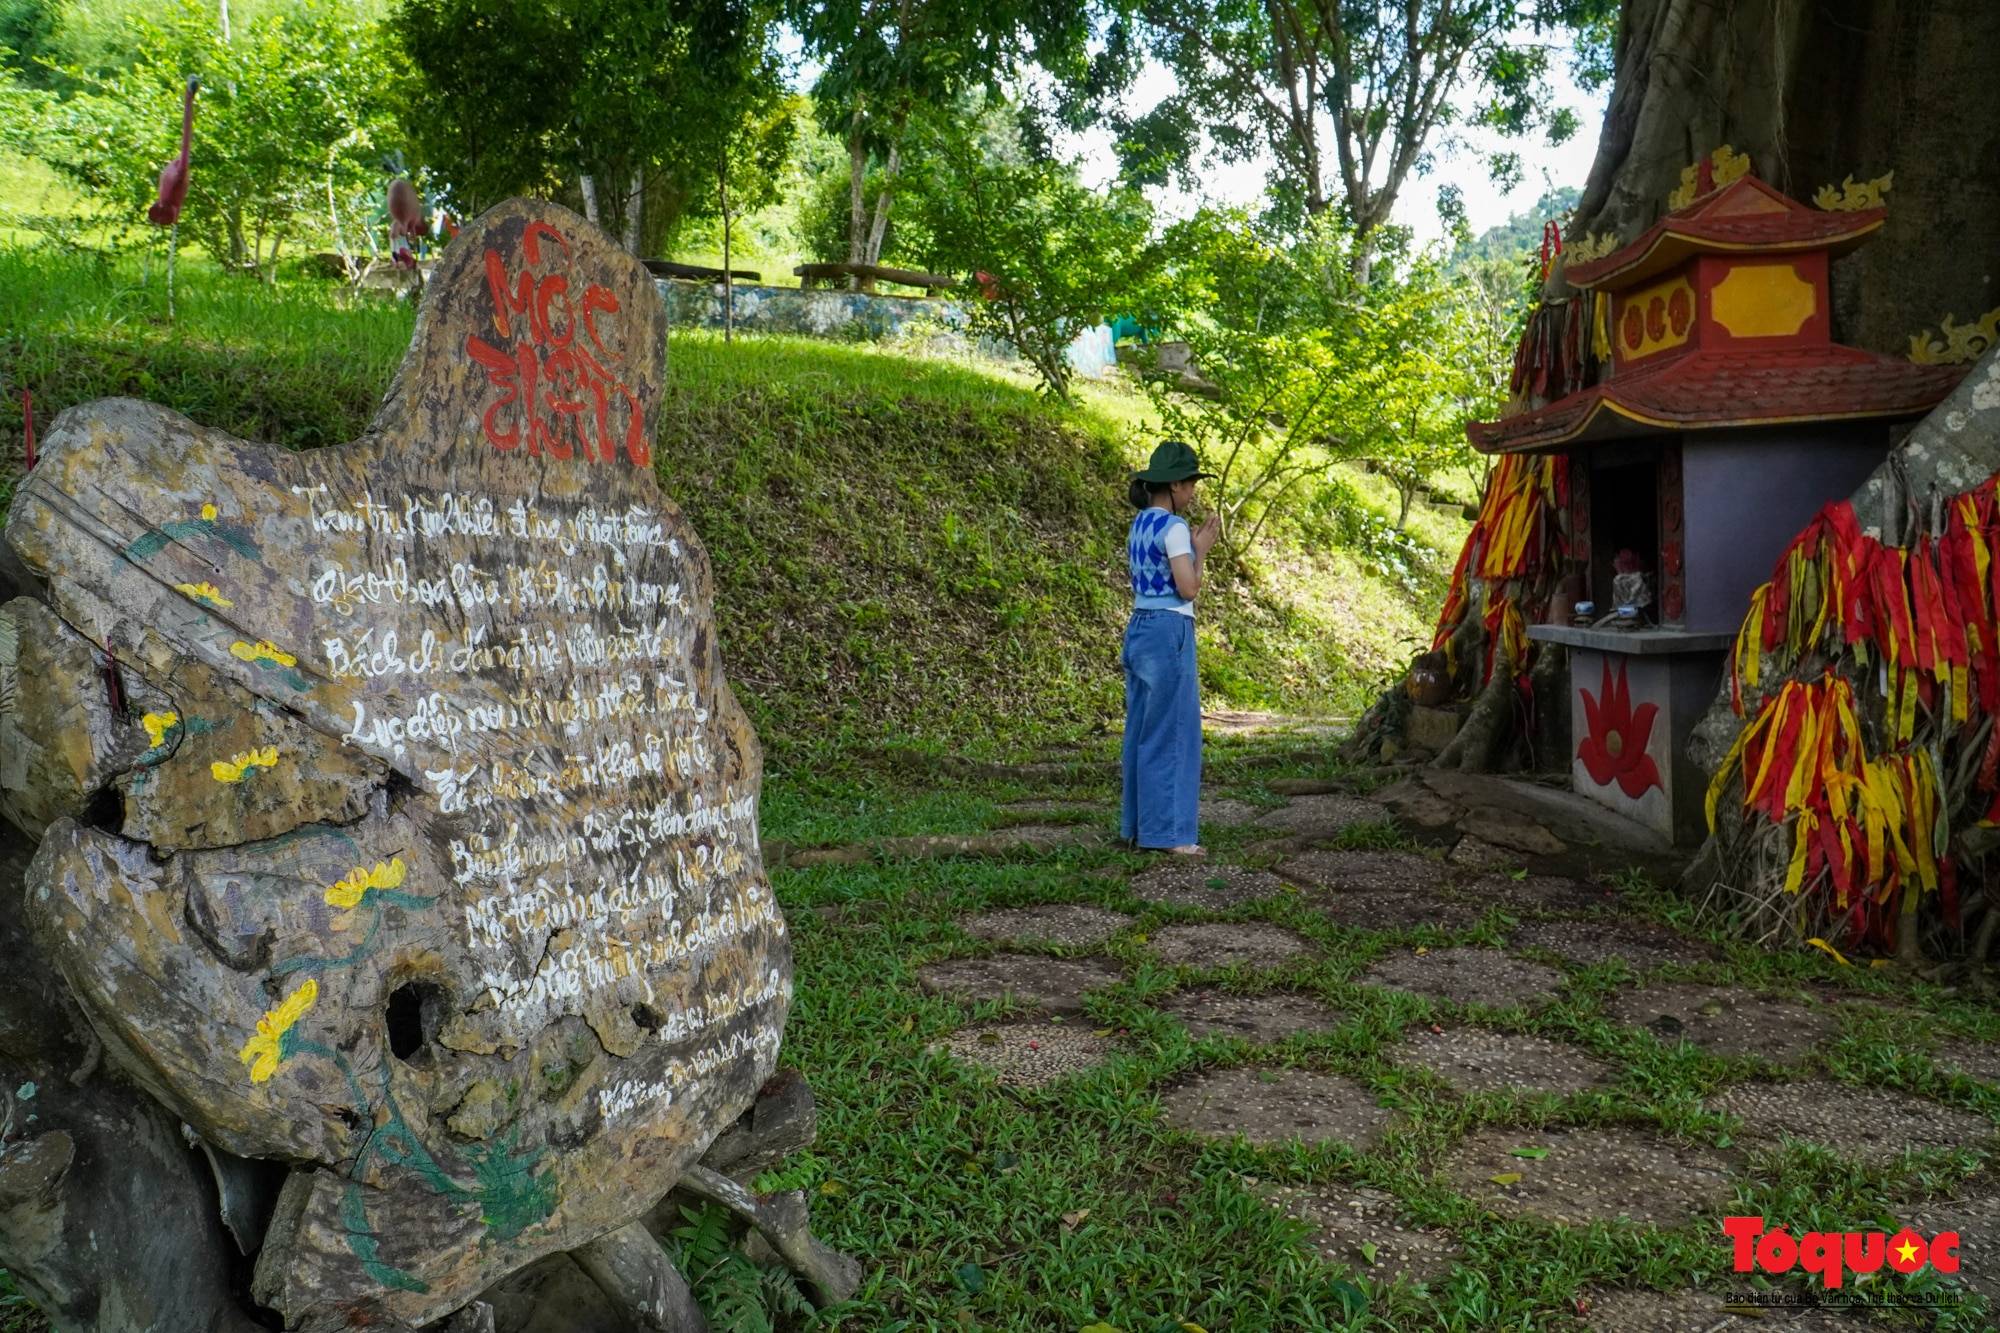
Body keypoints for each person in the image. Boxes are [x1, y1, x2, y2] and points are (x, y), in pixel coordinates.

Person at [1121, 440, 1220, 854]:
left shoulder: (1140, 523)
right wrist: (1201, 552)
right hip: (1169, 631)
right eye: (1192, 483)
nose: (1194, 491)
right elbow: (1188, 588)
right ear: (1176, 485)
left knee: (1141, 731)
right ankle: (1172, 837)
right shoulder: (1175, 528)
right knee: (1175, 733)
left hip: (1139, 628)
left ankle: (1137, 828)